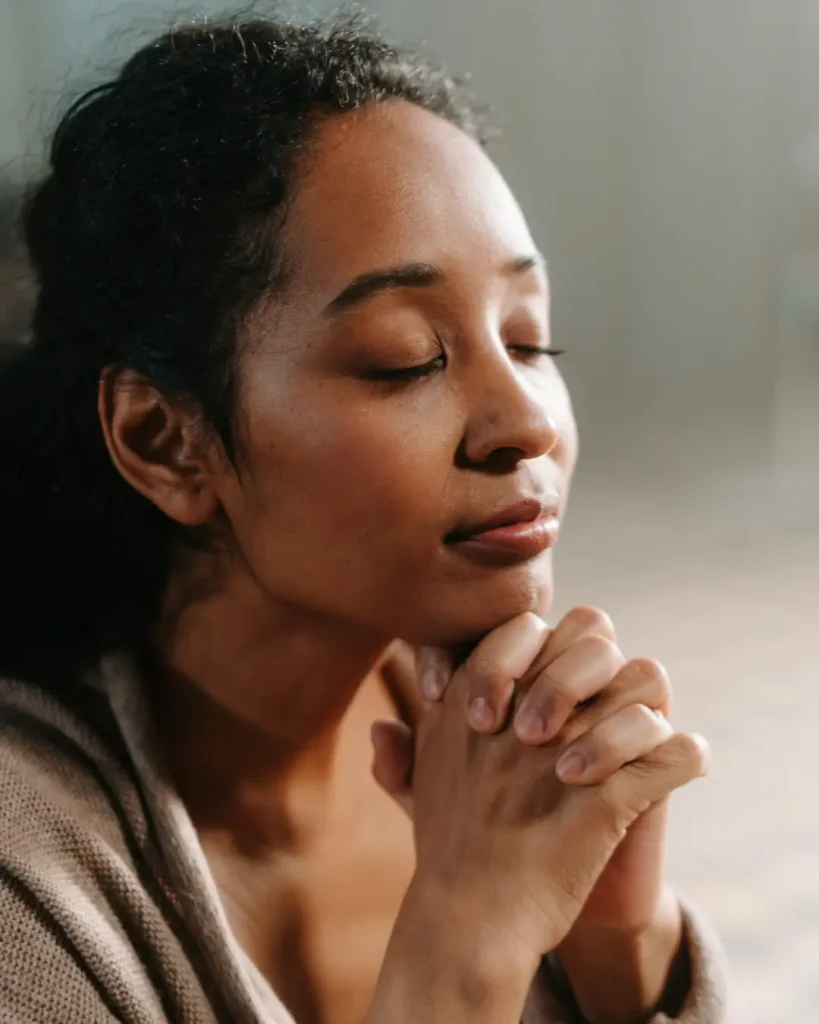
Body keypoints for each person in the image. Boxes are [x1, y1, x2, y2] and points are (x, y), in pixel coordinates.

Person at [0, 12, 740, 1024]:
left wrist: (623, 947)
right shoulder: (26, 889)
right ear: (167, 440)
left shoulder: (499, 761)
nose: (525, 421)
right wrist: (463, 943)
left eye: (530, 341)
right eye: (406, 357)